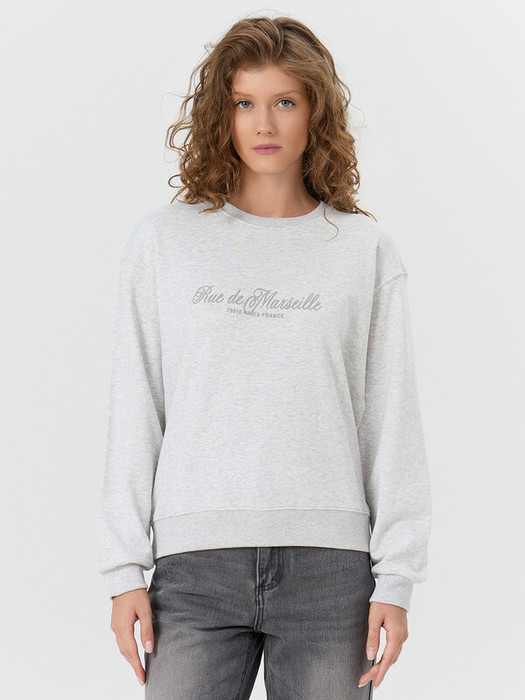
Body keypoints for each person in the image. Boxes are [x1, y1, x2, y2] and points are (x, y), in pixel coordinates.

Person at [97, 15, 432, 699]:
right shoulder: (165, 242)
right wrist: (124, 570)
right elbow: (136, 406)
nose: (264, 123)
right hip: (194, 571)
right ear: (221, 115)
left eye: (284, 101)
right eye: (244, 103)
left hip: (331, 574)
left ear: (315, 112)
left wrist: (395, 578)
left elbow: (390, 418)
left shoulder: (362, 250)